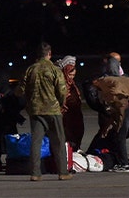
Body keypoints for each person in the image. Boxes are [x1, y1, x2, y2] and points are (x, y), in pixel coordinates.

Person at [17, 42, 71, 181]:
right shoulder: (54, 70)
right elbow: (62, 91)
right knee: (58, 141)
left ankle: (35, 173)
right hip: (53, 110)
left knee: (36, 142)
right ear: (49, 54)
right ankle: (62, 172)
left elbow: (20, 90)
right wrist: (60, 103)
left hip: (36, 110)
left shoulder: (30, 69)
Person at [91, 63, 129, 173]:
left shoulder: (104, 83)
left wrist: (117, 122)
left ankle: (124, 164)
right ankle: (120, 162)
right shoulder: (111, 80)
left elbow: (119, 103)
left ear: (96, 81)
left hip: (127, 106)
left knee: (120, 136)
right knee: (118, 134)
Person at [57, 55, 85, 152]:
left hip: (74, 113)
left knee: (78, 131)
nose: (72, 77)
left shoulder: (72, 84)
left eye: (73, 75)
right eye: (70, 75)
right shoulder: (61, 83)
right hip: (65, 114)